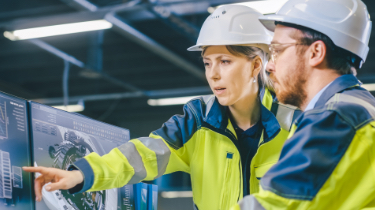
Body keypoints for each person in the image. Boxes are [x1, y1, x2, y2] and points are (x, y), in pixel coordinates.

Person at [23, 5, 300, 210]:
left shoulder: (296, 123)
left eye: (225, 61)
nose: (213, 74)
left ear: (255, 65)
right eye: (207, 62)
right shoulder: (197, 121)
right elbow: (142, 155)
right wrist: (81, 173)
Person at [231, 0, 374, 209]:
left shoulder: (334, 120)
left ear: (315, 52)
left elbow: (274, 205)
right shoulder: (360, 110)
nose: (270, 65)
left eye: (277, 50)